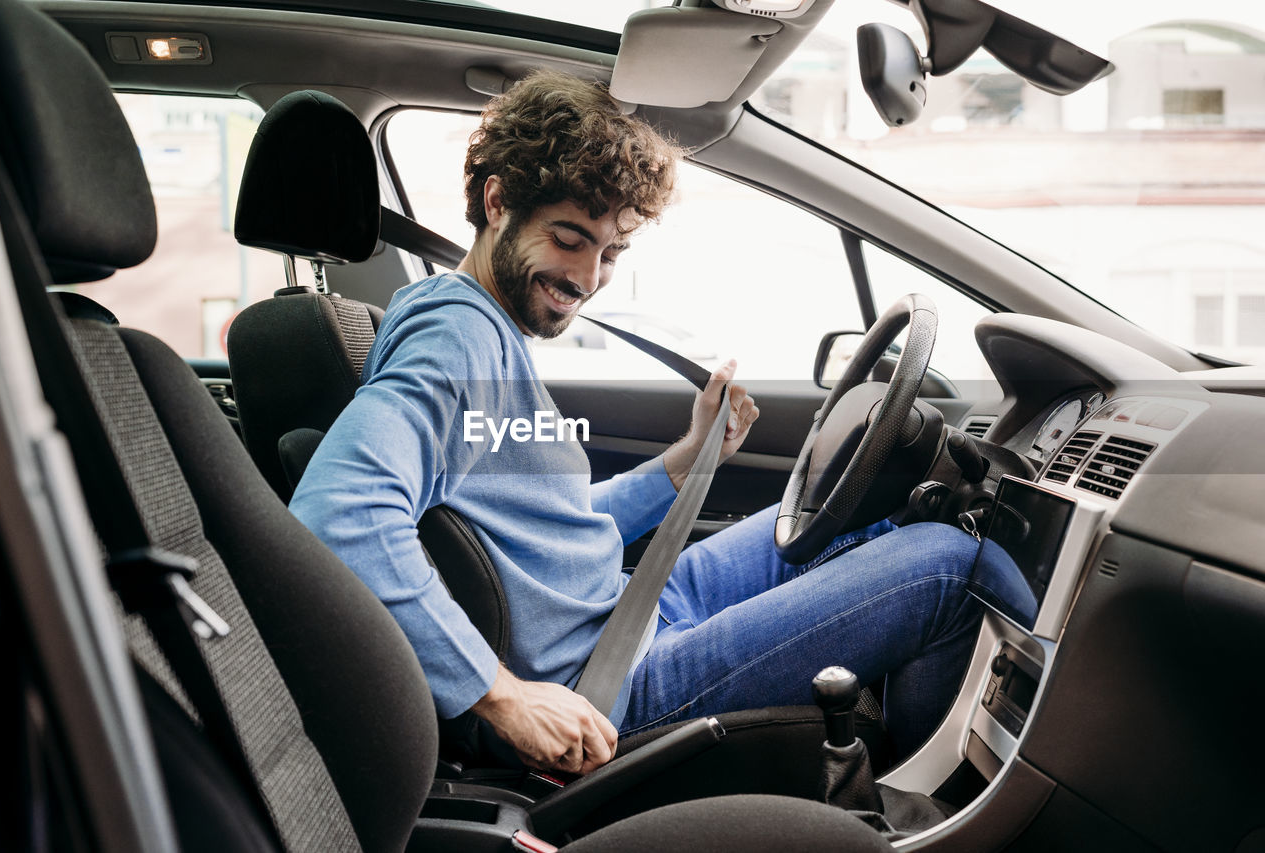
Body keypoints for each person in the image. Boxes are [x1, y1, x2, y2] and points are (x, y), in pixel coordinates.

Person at [290, 70, 985, 777]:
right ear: (497, 202)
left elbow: (545, 521)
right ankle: (918, 805)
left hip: (636, 605)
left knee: (853, 515)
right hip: (614, 682)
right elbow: (339, 510)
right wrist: (501, 695)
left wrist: (685, 461)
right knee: (951, 569)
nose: (588, 277)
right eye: (569, 238)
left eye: (612, 252)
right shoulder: (457, 336)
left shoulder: (484, 328)